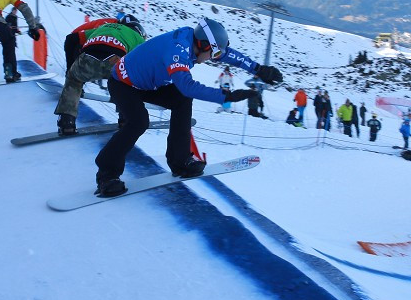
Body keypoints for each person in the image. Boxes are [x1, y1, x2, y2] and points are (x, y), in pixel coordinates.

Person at [93, 17, 282, 197]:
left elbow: (228, 55)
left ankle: (180, 161)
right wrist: (227, 96)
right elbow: (187, 86)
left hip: (147, 83)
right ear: (203, 45)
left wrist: (258, 69)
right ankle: (106, 175)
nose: (214, 58)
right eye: (213, 54)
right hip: (123, 83)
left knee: (182, 101)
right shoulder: (177, 50)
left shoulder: (198, 42)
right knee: (139, 122)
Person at [55, 13, 147, 135]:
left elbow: (71, 39)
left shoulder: (103, 27)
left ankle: (67, 122)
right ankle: (125, 119)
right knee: (125, 84)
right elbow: (145, 61)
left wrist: (70, 69)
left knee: (74, 80)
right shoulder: (137, 37)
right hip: (115, 60)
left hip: (88, 58)